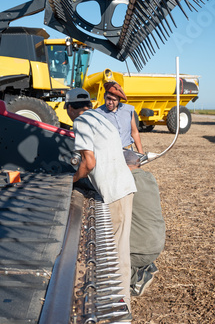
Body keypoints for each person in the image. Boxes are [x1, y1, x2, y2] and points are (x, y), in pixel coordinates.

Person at [65, 87, 136, 315]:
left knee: (116, 254)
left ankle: (119, 309)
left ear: (69, 108)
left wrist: (69, 182)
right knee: (118, 249)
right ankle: (119, 304)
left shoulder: (82, 122)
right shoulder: (100, 116)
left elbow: (89, 162)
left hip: (116, 192)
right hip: (123, 187)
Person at [123, 150, 165, 297]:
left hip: (143, 250)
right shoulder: (149, 177)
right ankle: (146, 265)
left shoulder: (127, 182)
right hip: (156, 243)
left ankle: (138, 278)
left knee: (106, 263)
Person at [95, 81, 144, 154]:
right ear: (104, 95)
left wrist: (141, 153)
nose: (110, 102)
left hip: (128, 151)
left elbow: (134, 132)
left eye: (114, 100)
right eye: (108, 98)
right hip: (109, 153)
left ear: (119, 99)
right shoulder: (97, 113)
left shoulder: (128, 110)